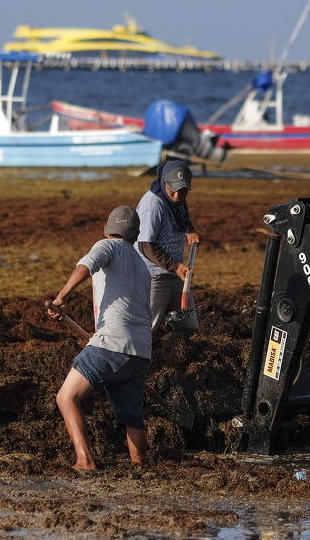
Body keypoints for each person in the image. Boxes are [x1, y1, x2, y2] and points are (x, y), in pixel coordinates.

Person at [46, 205, 152, 470]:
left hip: (111, 344)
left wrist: (61, 298)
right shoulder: (142, 266)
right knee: (133, 418)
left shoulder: (108, 246)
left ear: (105, 230)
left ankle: (85, 460)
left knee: (66, 398)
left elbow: (86, 264)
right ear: (136, 235)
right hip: (140, 351)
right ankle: (140, 467)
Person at [135, 159, 201, 333]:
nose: (177, 197)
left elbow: (178, 216)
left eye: (183, 191)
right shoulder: (152, 205)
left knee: (188, 328)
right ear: (164, 182)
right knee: (146, 330)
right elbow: (145, 245)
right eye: (173, 191)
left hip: (175, 274)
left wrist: (190, 230)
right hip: (153, 277)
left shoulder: (177, 199)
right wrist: (174, 266)